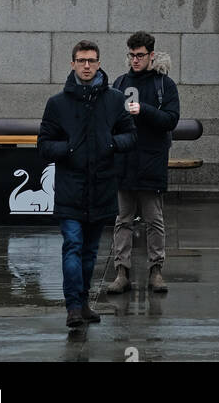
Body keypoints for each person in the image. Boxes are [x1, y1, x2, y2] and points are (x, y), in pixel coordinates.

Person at [37, 40, 136, 329]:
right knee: (73, 246)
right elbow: (44, 145)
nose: (87, 66)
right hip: (71, 187)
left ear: (99, 62)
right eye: (82, 61)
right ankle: (73, 307)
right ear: (73, 64)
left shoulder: (115, 100)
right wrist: (69, 149)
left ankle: (83, 303)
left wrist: (110, 143)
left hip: (102, 187)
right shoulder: (57, 104)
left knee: (90, 251)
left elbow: (130, 136)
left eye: (92, 60)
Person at [108, 31, 180, 296]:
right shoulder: (120, 81)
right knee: (123, 219)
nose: (135, 60)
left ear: (151, 55)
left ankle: (156, 270)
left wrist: (144, 109)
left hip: (151, 160)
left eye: (139, 55)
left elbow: (171, 119)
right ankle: (121, 272)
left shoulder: (164, 84)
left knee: (154, 219)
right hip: (125, 160)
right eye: (131, 55)